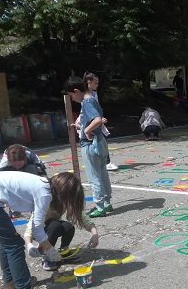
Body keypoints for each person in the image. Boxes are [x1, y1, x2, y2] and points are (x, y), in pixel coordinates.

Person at [24, 174, 99, 271]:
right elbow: (30, 228)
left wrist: (95, 234)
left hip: (52, 227)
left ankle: (64, 252)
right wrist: (29, 245)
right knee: (55, 225)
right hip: (39, 232)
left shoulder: (64, 200)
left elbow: (82, 218)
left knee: (68, 226)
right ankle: (47, 257)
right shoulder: (44, 201)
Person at [65, 76, 112, 218]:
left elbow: (97, 120)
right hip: (100, 142)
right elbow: (95, 119)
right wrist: (81, 126)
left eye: (71, 95)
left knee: (94, 176)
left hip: (91, 144)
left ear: (76, 91)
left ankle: (99, 206)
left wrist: (86, 131)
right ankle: (107, 203)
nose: (72, 99)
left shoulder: (87, 102)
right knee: (103, 173)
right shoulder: (93, 98)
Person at [84, 72, 118, 171]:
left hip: (97, 121)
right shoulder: (86, 96)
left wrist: (100, 118)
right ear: (88, 82)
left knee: (101, 141)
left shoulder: (94, 94)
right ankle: (104, 163)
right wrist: (97, 119)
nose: (97, 85)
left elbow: (97, 108)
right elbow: (87, 110)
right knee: (95, 142)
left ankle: (104, 162)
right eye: (95, 83)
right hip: (91, 122)